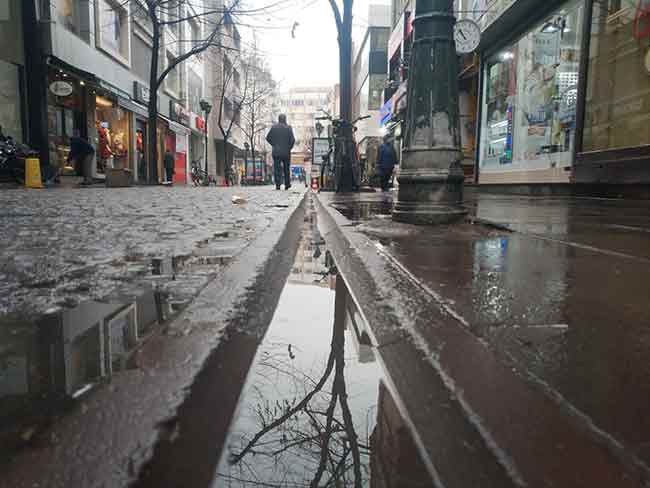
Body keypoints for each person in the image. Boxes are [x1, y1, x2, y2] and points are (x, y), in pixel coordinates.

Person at [266, 114, 295, 190]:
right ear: (285, 119)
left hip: (276, 152)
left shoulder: (274, 127)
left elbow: (268, 138)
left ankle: (278, 185)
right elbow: (292, 140)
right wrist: (289, 148)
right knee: (286, 169)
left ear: (278, 119)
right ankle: (287, 184)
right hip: (286, 152)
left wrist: (274, 145)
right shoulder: (289, 128)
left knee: (277, 169)